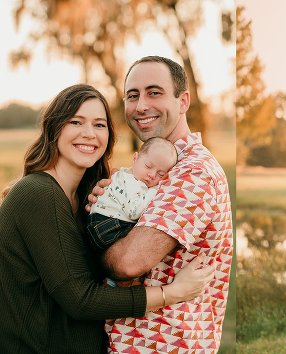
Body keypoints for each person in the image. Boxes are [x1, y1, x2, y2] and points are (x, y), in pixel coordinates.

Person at [0, 84, 214, 353]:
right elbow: (80, 298)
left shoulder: (90, 199)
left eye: (100, 125)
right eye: (76, 122)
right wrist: (171, 293)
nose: (89, 134)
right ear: (55, 128)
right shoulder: (38, 194)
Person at [86, 56, 233, 353]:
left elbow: (127, 263)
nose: (141, 106)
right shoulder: (149, 171)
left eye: (154, 92)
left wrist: (91, 245)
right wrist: (105, 210)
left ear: (183, 101)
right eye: (132, 95)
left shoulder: (193, 173)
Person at [87, 137, 177, 287]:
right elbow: (134, 211)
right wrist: (156, 190)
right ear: (135, 158)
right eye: (148, 166)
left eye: (161, 174)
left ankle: (111, 281)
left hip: (101, 224)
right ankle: (119, 283)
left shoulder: (124, 174)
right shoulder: (134, 183)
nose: (152, 175)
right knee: (139, 237)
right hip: (107, 226)